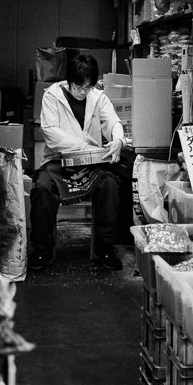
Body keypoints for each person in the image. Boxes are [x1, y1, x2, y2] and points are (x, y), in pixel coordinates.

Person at [29, 54, 126, 271]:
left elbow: (113, 121)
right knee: (42, 188)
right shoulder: (52, 95)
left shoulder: (97, 96)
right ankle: (42, 250)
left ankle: (105, 248)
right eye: (79, 87)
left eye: (88, 87)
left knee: (110, 184)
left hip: (90, 165)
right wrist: (87, 148)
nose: (83, 92)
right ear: (68, 81)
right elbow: (51, 134)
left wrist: (118, 140)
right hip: (59, 161)